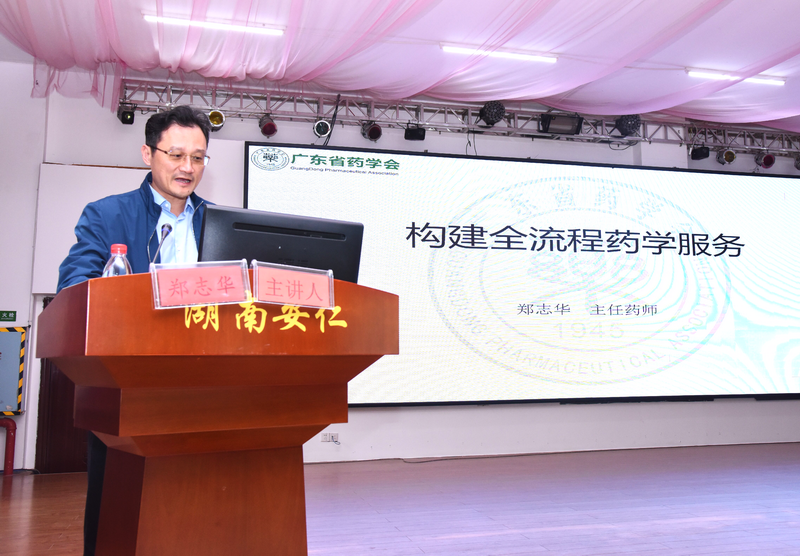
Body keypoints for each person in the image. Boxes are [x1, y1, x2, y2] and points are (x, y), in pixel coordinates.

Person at [56, 105, 213, 556]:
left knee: (194, 507)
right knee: (118, 514)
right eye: (176, 155)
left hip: (204, 387)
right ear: (148, 154)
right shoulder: (108, 214)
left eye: (198, 158)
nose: (187, 168)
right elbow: (75, 285)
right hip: (126, 386)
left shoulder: (218, 221)